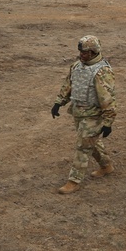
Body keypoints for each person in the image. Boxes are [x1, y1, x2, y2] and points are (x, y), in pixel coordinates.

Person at [51, 35, 117, 194]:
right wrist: (59, 102)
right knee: (90, 143)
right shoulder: (76, 66)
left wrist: (108, 122)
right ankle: (106, 166)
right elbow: (69, 84)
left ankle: (74, 181)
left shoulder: (102, 71)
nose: (82, 55)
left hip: (94, 115)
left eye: (86, 52)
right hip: (78, 112)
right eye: (81, 51)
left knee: (82, 146)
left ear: (94, 52)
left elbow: (107, 98)